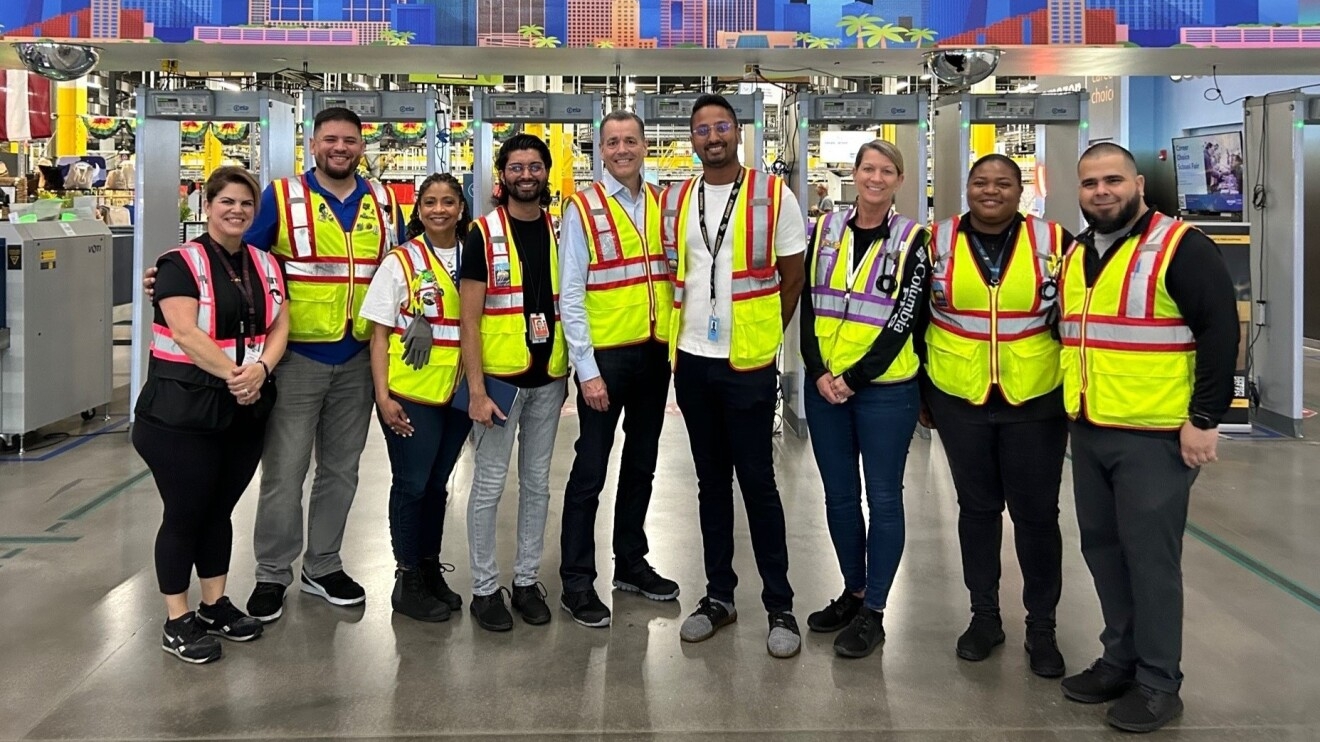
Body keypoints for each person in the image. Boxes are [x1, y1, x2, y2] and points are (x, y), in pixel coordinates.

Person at [147, 108, 406, 621]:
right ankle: (272, 573)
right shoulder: (283, 197)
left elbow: (394, 268)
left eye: (350, 141)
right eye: (330, 139)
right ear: (313, 145)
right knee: (285, 472)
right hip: (294, 359)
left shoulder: (380, 198)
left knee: (341, 470)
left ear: (361, 145)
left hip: (357, 356)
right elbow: (238, 258)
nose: (341, 148)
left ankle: (323, 564)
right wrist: (172, 276)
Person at [1059, 143, 1237, 733]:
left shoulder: (1180, 246)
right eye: (1090, 184)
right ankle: (1120, 660)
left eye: (1113, 180)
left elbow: (1218, 332)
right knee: (1103, 552)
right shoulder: (1080, 251)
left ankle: (1160, 683)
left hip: (1156, 439)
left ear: (1137, 182)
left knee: (1151, 562)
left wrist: (1206, 418)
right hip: (1089, 429)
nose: (1101, 192)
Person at [662, 93, 807, 658]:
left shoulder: (774, 195)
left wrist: (763, 337)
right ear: (692, 138)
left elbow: (791, 279)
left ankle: (780, 605)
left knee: (759, 484)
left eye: (722, 126)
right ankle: (718, 596)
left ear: (738, 133)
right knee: (710, 484)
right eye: (702, 129)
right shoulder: (678, 197)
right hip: (693, 360)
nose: (712, 136)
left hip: (747, 364)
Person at [922, 154, 1072, 677]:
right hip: (959, 396)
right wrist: (925, 394)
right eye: (981, 183)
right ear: (967, 188)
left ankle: (1042, 627)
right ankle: (984, 617)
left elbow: (1075, 316)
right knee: (977, 512)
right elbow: (917, 316)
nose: (991, 191)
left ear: (1020, 189)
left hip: (1036, 400)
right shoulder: (934, 241)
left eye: (1003, 183)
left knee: (1037, 517)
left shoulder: (1055, 241)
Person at [132, 166, 289, 663]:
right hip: (180, 414)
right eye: (227, 202)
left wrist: (261, 368)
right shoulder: (179, 263)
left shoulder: (266, 263)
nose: (237, 210)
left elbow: (282, 323)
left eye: (246, 203)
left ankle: (214, 604)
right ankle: (176, 619)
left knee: (218, 510)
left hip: (242, 412)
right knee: (185, 513)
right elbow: (183, 330)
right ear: (208, 204)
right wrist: (237, 375)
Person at [799, 140, 930, 659]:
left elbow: (905, 319)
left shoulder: (914, 240)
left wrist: (855, 377)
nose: (874, 178)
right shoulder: (824, 231)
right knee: (838, 497)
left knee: (883, 498)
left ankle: (875, 609)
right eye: (867, 168)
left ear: (899, 180)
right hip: (826, 387)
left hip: (885, 391)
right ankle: (853, 592)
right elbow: (809, 303)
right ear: (853, 174)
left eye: (886, 171)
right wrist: (817, 369)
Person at [557, 110, 679, 628]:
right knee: (590, 470)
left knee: (642, 465)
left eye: (631, 140)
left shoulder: (662, 204)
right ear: (600, 150)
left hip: (655, 355)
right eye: (613, 142)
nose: (623, 150)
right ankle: (576, 581)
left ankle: (630, 561)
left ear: (645, 146)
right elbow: (572, 293)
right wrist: (586, 369)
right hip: (606, 359)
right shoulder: (582, 209)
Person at [459, 134, 569, 632]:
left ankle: (525, 580)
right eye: (516, 167)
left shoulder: (562, 229)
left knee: (537, 485)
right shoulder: (481, 233)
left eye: (535, 166)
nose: (526, 175)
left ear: (547, 172)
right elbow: (469, 318)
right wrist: (477, 390)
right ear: (501, 176)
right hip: (501, 384)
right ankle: (485, 589)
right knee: (487, 487)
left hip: (549, 378)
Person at [358, 173, 472, 623]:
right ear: (418, 209)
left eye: (448, 201)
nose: (439, 209)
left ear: (461, 207)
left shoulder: (474, 255)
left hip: (459, 394)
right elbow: (379, 336)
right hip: (412, 395)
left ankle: (429, 568)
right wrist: (382, 398)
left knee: (437, 486)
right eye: (430, 202)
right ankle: (406, 579)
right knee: (411, 484)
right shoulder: (401, 261)